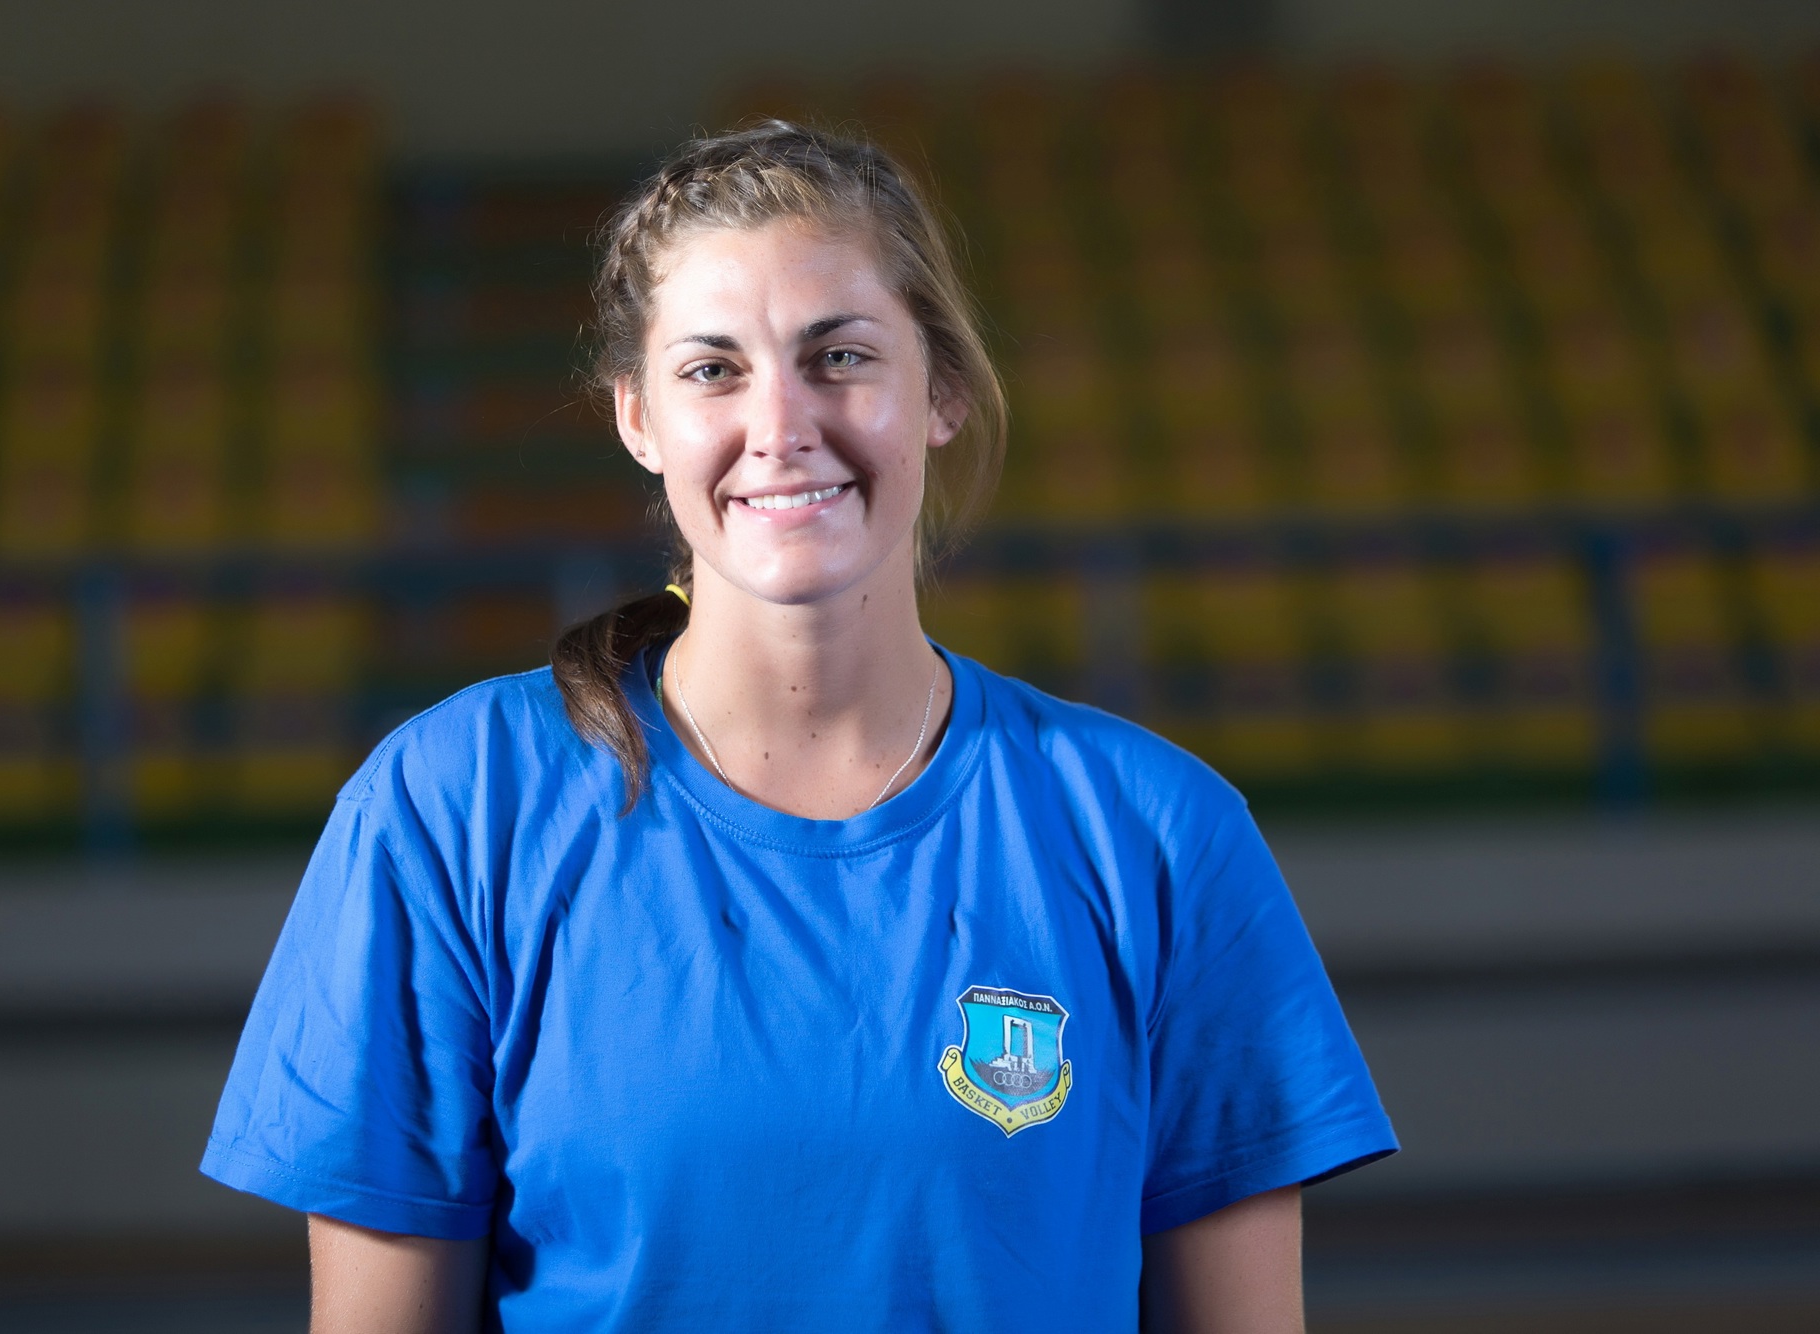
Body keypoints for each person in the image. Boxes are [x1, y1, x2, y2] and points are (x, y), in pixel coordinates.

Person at [202, 121, 1396, 1333]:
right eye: (711, 370)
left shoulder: (1154, 831)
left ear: (941, 390)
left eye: (838, 356)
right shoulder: (450, 808)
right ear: (637, 418)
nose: (780, 424)